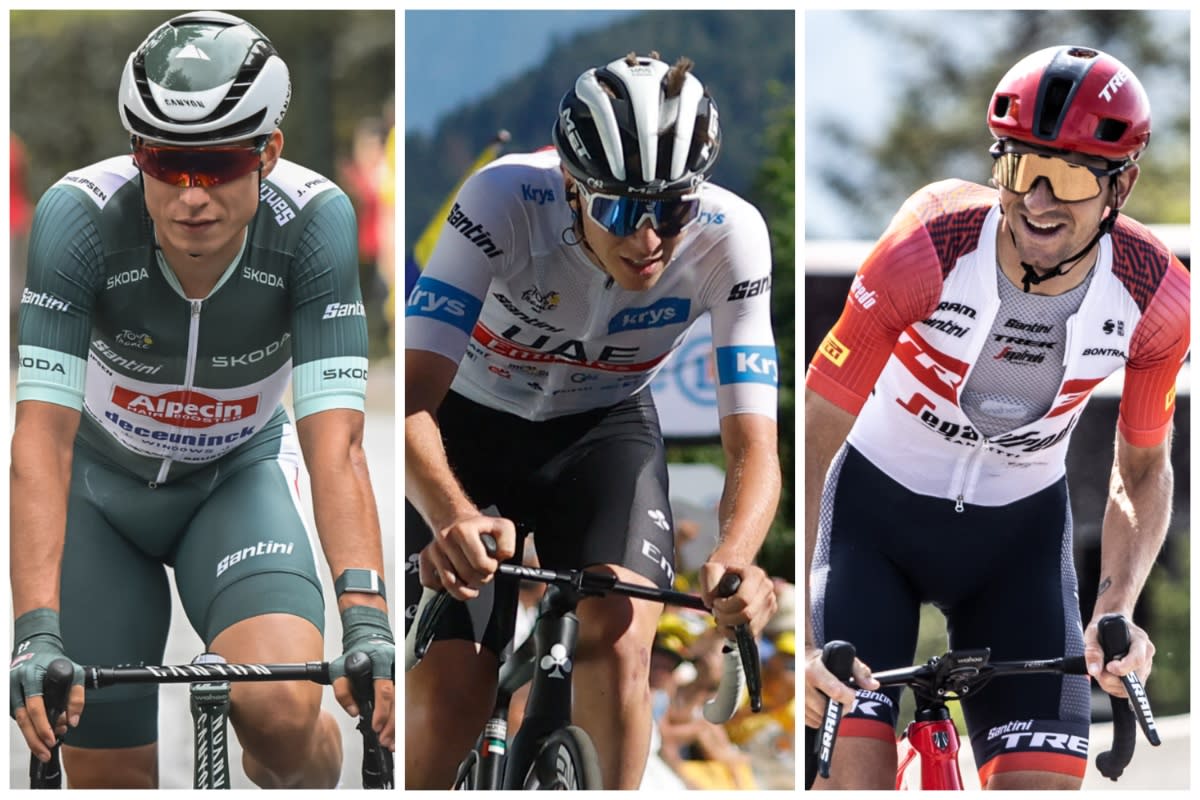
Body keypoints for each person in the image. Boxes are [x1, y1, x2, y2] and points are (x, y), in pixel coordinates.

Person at [9, 11, 394, 788]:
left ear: (268, 153)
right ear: (135, 152)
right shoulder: (75, 219)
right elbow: (40, 439)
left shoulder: (315, 223)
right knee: (109, 773)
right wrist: (35, 633)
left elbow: (339, 445)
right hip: (100, 498)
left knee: (285, 713)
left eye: (217, 164)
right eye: (164, 162)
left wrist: (366, 618)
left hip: (234, 481)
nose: (191, 195)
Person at [804, 45, 1189, 790]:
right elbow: (819, 427)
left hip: (1018, 547)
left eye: (1071, 176)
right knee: (851, 777)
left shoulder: (1156, 299)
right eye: (1020, 168)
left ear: (1121, 186)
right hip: (869, 528)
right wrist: (804, 628)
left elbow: (1141, 471)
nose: (1037, 200)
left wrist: (1117, 610)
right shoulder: (927, 246)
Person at [405, 51, 781, 789]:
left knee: (617, 636)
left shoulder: (732, 237)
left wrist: (739, 554)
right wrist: (449, 513)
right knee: (456, 687)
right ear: (573, 187)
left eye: (672, 209)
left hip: (602, 431)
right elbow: (414, 397)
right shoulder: (500, 200)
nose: (649, 240)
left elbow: (753, 446)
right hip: (467, 431)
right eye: (619, 210)